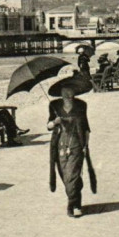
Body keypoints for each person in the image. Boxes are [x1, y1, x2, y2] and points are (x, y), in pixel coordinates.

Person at [47, 71, 93, 218]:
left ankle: (70, 205)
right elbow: (48, 126)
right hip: (60, 145)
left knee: (71, 175)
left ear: (74, 91)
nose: (67, 93)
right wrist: (55, 122)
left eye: (70, 90)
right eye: (65, 91)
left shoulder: (81, 105)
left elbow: (86, 127)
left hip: (76, 144)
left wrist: (85, 145)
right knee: (65, 176)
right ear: (60, 92)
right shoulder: (54, 105)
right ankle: (77, 202)